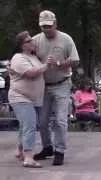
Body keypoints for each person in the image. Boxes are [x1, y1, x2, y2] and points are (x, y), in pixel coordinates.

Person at [32, 10, 80, 166]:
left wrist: (59, 64)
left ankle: (60, 151)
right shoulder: (35, 40)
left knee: (60, 119)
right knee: (43, 121)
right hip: (43, 85)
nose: (46, 29)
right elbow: (26, 57)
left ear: (55, 24)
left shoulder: (66, 39)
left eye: (49, 26)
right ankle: (47, 147)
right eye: (43, 26)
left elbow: (75, 61)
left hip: (62, 84)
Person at [9, 31, 47, 168]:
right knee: (30, 125)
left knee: (25, 126)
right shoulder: (18, 58)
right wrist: (46, 65)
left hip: (34, 98)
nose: (32, 42)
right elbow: (31, 73)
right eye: (28, 41)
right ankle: (28, 157)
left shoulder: (33, 57)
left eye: (32, 40)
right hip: (20, 97)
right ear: (21, 45)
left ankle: (20, 151)